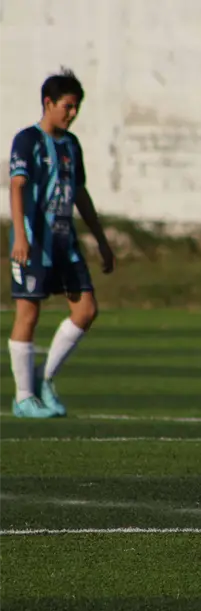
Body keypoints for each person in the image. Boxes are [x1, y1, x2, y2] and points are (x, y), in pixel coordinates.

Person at [8, 68, 115, 418]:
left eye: (76, 108)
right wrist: (21, 236)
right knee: (29, 312)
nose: (72, 114)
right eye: (67, 106)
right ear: (48, 103)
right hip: (34, 241)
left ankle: (45, 379)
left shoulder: (71, 144)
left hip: (64, 241)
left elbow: (79, 193)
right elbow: (17, 186)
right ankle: (24, 397)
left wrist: (100, 238)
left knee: (86, 310)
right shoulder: (27, 140)